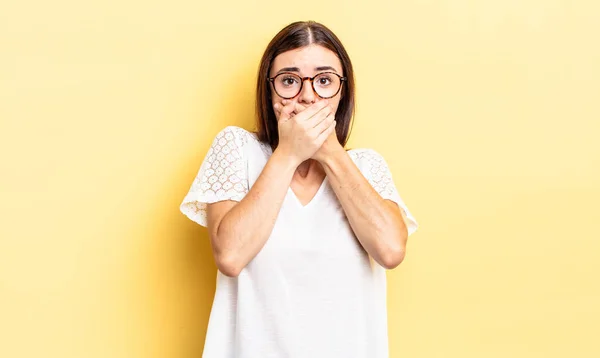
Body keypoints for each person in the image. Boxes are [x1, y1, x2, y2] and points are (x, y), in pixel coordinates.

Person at [180, 20, 419, 358]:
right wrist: (289, 153)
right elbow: (230, 256)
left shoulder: (366, 166)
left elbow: (391, 250)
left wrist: (329, 150)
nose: (307, 96)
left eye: (324, 81)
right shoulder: (237, 148)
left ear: (342, 92)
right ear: (269, 90)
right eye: (290, 81)